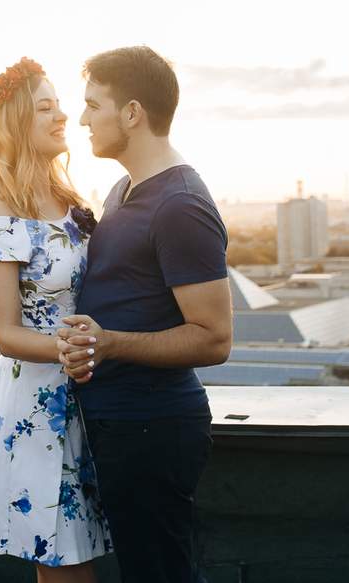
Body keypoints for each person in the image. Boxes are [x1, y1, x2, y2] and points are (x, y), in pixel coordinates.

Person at [57, 45, 233, 583]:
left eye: (93, 105)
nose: (83, 118)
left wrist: (108, 342)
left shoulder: (180, 204)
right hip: (121, 423)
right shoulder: (123, 190)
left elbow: (214, 339)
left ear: (132, 113)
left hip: (152, 428)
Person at [0, 57, 111, 581]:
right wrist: (69, 349)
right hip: (40, 409)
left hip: (93, 395)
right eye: (46, 107)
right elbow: (6, 333)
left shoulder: (70, 202)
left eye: (61, 104)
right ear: (17, 122)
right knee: (67, 569)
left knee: (78, 560)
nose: (63, 115)